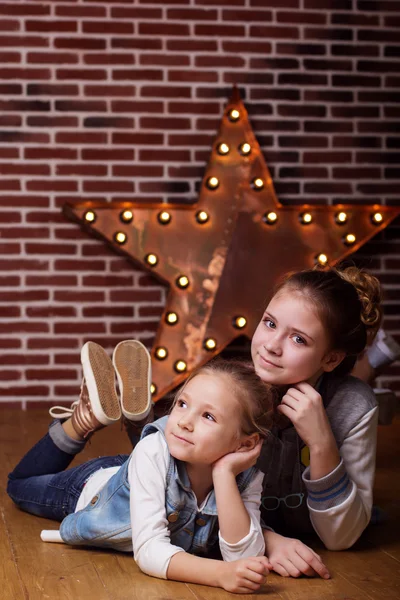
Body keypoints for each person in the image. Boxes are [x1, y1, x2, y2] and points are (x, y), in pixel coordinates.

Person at [7, 342, 277, 595]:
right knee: (18, 484)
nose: (184, 421)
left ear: (246, 444)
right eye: (182, 404)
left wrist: (223, 475)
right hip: (93, 488)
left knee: (159, 446)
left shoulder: (247, 478)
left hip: (145, 468)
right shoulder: (153, 451)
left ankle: (139, 421)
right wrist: (219, 574)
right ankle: (82, 422)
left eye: (208, 416)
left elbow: (247, 559)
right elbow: (149, 550)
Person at [250, 265, 385, 578]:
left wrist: (322, 443)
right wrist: (268, 540)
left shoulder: (353, 406)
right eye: (269, 323)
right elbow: (198, 498)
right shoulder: (233, 389)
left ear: (331, 358)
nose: (271, 345)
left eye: (298, 339)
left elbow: (341, 537)